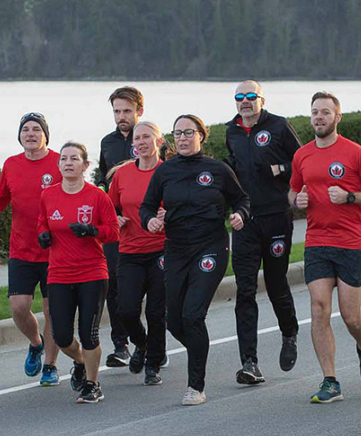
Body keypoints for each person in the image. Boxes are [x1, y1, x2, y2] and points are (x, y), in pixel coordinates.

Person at [139, 115, 250, 406]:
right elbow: (147, 207)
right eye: (178, 133)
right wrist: (150, 220)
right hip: (176, 249)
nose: (184, 138)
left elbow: (242, 199)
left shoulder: (217, 169)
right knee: (174, 321)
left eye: (189, 132)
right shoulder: (165, 172)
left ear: (202, 135)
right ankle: (199, 351)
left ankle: (195, 386)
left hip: (210, 247)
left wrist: (239, 215)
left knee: (192, 315)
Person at [288, 92, 361, 404]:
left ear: (337, 117)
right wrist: (296, 201)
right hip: (317, 242)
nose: (319, 117)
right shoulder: (302, 155)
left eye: (325, 112)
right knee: (319, 309)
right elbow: (292, 193)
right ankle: (330, 380)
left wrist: (350, 197)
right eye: (315, 112)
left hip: (351, 243)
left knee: (350, 316)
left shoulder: (354, 153)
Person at [224, 80, 302, 385]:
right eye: (239, 97)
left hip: (276, 219)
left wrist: (278, 170)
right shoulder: (231, 131)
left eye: (250, 97)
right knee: (244, 290)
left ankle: (289, 333)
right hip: (244, 221)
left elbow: (302, 162)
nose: (245, 102)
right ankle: (250, 362)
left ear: (261, 99)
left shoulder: (279, 126)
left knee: (275, 283)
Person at [0, 112, 63, 385]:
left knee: (53, 310)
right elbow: (2, 195)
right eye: (26, 129)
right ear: (19, 135)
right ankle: (35, 342)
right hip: (21, 249)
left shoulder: (58, 162)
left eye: (36, 129)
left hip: (55, 249)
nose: (30, 134)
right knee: (18, 307)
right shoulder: (11, 164)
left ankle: (50, 366)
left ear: (45, 135)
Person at [38, 142, 119, 403]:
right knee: (60, 335)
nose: (68, 162)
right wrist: (43, 235)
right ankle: (81, 361)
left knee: (89, 333)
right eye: (64, 158)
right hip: (59, 273)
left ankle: (92, 384)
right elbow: (43, 220)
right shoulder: (48, 195)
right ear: (59, 164)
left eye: (75, 159)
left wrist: (92, 231)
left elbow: (113, 232)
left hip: (92, 272)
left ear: (85, 166)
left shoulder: (97, 196)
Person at [107, 121, 169, 385]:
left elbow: (184, 203)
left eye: (147, 137)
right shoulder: (123, 174)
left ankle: (153, 364)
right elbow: (109, 207)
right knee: (127, 310)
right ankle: (142, 346)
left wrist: (170, 214)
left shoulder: (168, 172)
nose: (141, 142)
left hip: (161, 251)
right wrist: (117, 217)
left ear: (159, 141)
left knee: (156, 313)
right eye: (137, 138)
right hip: (130, 251)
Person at [96, 86, 145, 367]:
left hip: (149, 228)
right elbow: (104, 180)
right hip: (117, 227)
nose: (121, 116)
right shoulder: (107, 142)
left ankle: (150, 343)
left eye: (127, 111)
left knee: (148, 288)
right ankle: (121, 344)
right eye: (117, 111)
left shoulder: (150, 138)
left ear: (139, 110)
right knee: (114, 284)